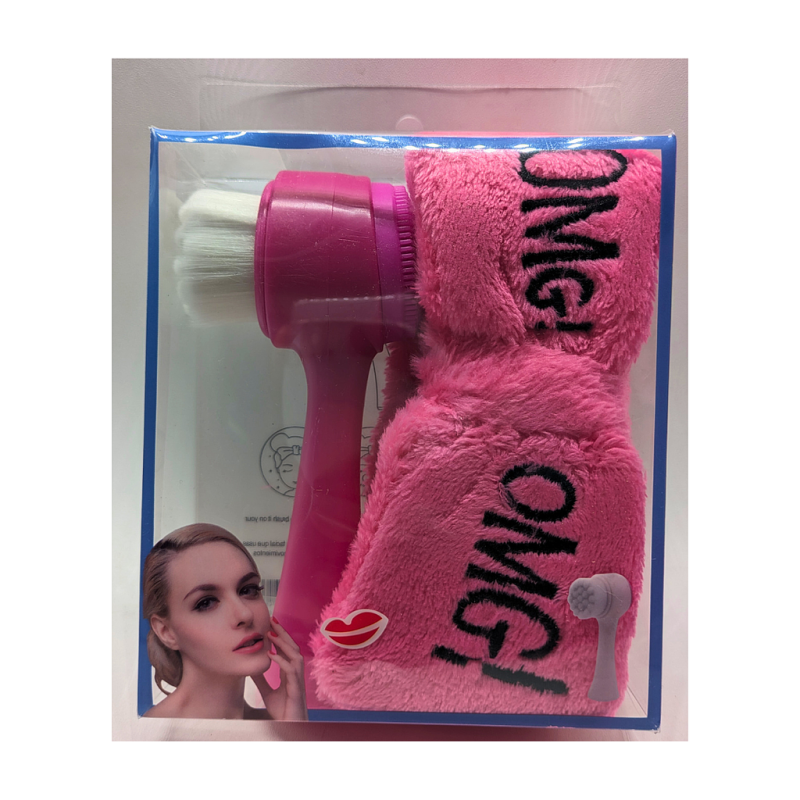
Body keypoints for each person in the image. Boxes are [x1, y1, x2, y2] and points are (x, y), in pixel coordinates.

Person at [142, 523, 307, 720]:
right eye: (206, 603)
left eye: (248, 590)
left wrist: (294, 728)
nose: (245, 614)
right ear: (166, 632)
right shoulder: (151, 734)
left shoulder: (284, 721)